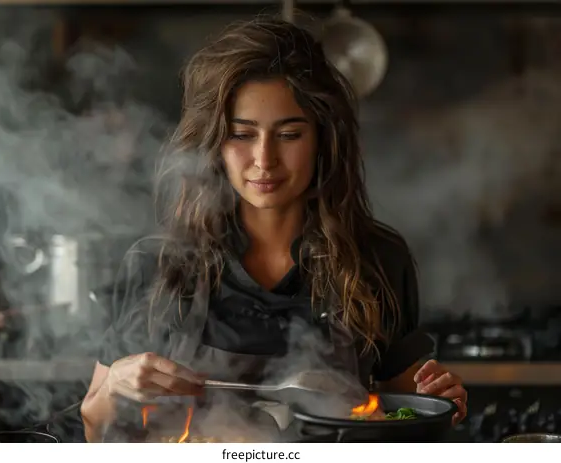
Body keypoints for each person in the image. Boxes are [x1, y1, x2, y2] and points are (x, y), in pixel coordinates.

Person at [80, 16, 467, 442]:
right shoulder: (156, 266)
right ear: (213, 144)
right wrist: (117, 384)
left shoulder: (376, 258)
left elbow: (405, 418)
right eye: (242, 135)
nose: (265, 160)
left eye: (288, 134)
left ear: (322, 139)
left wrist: (437, 402)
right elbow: (95, 428)